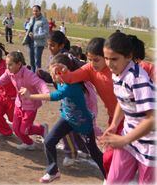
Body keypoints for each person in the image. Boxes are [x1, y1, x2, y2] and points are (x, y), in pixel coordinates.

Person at [20, 53, 105, 183]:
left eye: (56, 73)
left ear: (66, 71)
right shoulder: (61, 79)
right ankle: (53, 171)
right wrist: (43, 74)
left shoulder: (71, 85)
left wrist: (30, 96)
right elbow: (52, 79)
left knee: (94, 152)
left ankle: (109, 175)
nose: (54, 77)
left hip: (83, 122)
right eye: (53, 73)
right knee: (49, 141)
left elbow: (55, 96)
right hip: (67, 119)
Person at [51, 37, 123, 177]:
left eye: (96, 59)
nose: (92, 63)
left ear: (106, 57)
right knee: (109, 157)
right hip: (113, 119)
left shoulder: (118, 70)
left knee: (128, 156)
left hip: (131, 118)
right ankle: (111, 178)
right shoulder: (90, 69)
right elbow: (71, 78)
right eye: (89, 59)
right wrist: (64, 71)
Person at [100, 32, 155, 184]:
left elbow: (152, 119)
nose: (109, 64)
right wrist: (114, 125)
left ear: (129, 56)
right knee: (114, 181)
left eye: (114, 59)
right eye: (106, 58)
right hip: (129, 137)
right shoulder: (117, 73)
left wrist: (124, 139)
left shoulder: (138, 79)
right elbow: (123, 100)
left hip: (150, 145)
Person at [0, 51, 49, 150]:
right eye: (6, 64)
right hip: (18, 103)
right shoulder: (9, 72)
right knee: (16, 128)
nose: (7, 67)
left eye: (10, 64)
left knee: (24, 130)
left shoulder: (28, 74)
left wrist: (46, 93)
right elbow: (2, 79)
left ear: (19, 64)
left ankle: (42, 129)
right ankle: (29, 143)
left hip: (30, 105)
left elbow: (40, 83)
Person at [24, 5, 49, 72]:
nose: (34, 12)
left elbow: (46, 33)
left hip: (38, 44)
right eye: (33, 11)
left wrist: (34, 36)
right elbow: (28, 28)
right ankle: (32, 77)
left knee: (37, 62)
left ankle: (38, 78)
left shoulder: (44, 20)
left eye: (36, 11)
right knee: (31, 61)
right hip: (30, 43)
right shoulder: (32, 19)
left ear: (40, 11)